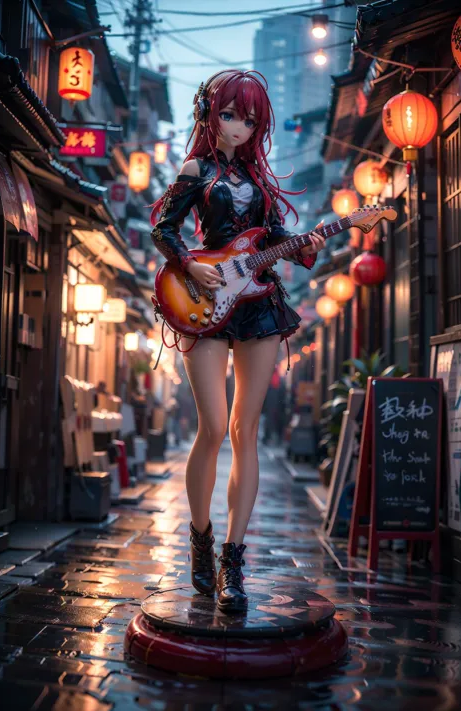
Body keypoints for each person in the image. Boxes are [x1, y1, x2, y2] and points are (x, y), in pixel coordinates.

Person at [151, 69, 325, 613]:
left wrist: (305, 246)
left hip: (259, 307)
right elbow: (164, 227)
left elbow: (277, 241)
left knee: (244, 429)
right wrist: (187, 265)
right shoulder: (197, 169)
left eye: (250, 119)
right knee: (211, 428)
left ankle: (233, 559)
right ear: (211, 115)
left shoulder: (264, 186)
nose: (240, 127)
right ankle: (201, 541)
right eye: (231, 115)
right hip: (204, 302)